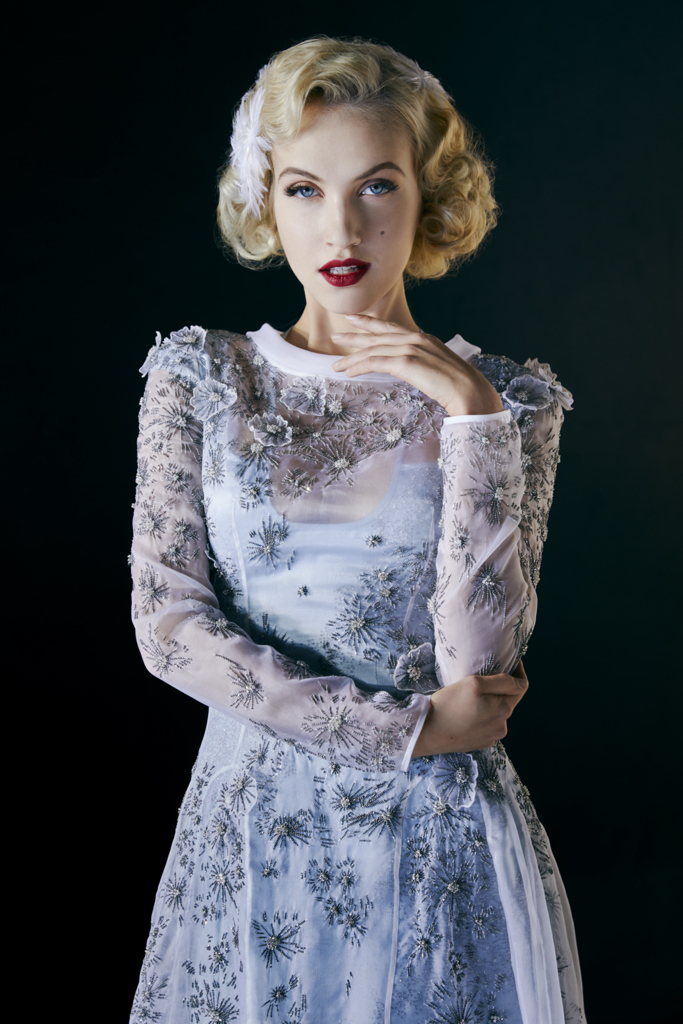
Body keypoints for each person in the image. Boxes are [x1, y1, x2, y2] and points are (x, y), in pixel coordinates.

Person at [129, 36, 584, 1024]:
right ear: (265, 202)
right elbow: (168, 626)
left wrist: (469, 416)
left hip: (437, 839)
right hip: (253, 835)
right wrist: (399, 731)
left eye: (375, 186)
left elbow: (480, 672)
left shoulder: (507, 400)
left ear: (427, 198)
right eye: (304, 189)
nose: (340, 226)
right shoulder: (201, 378)